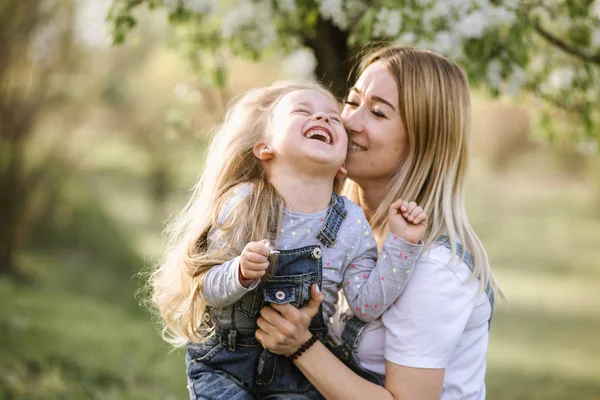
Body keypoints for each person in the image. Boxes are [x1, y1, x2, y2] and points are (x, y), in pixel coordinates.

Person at [148, 80, 429, 399]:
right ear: (264, 147)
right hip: (226, 367)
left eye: (333, 118)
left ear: (342, 165)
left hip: (300, 377)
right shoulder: (243, 203)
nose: (323, 118)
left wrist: (402, 245)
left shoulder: (351, 223)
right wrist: (238, 273)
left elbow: (366, 305)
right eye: (302, 111)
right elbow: (206, 289)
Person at [255, 46, 503, 400]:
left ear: (423, 141)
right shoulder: (348, 230)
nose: (350, 122)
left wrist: (300, 346)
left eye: (377, 113)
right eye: (353, 102)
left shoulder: (433, 268)